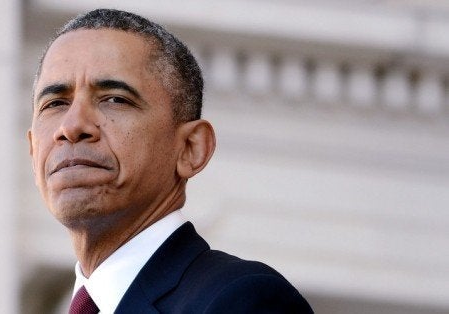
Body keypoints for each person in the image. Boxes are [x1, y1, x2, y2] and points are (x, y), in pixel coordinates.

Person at [27, 8, 313, 313]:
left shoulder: (243, 300)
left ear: (191, 148)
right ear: (33, 150)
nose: (71, 127)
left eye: (115, 99)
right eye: (55, 103)